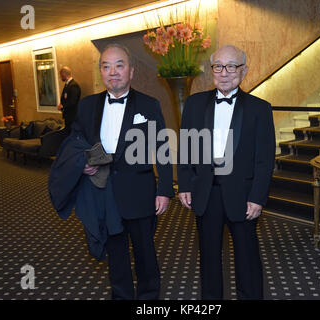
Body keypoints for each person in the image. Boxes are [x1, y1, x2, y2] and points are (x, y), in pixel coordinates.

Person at [50, 43, 174, 300]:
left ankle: (148, 301)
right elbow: (75, 142)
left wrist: (164, 190)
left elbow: (162, 148)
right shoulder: (87, 106)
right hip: (102, 194)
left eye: (119, 65)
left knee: (145, 256)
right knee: (116, 257)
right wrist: (80, 164)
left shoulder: (149, 104)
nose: (113, 72)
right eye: (106, 66)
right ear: (101, 72)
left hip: (140, 193)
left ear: (131, 71)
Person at [177, 45, 276, 300]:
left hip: (243, 196)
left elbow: (265, 160)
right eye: (218, 66)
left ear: (243, 71)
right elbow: (186, 148)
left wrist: (257, 197)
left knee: (247, 257)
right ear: (212, 70)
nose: (224, 72)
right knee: (208, 258)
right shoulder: (194, 104)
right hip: (205, 193)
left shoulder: (260, 108)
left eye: (231, 66)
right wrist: (185, 185)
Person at [57, 66, 81, 134]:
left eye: (61, 75)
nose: (60, 77)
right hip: (68, 116)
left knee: (71, 134)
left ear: (64, 74)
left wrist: (63, 106)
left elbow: (73, 101)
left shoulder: (73, 85)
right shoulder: (67, 85)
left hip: (72, 116)